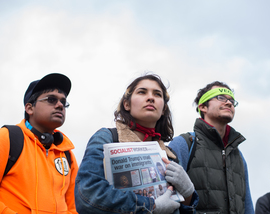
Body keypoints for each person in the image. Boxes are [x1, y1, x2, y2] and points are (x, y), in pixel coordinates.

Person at [75, 74, 198, 214]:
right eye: (142, 92)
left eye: (157, 94)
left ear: (163, 109)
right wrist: (150, 206)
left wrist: (188, 193)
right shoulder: (107, 138)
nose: (150, 97)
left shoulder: (170, 156)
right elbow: (88, 197)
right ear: (126, 104)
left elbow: (181, 209)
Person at [0, 73, 78, 213]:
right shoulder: (7, 138)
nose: (60, 105)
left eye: (63, 102)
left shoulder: (66, 153)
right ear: (29, 108)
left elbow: (74, 207)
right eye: (52, 99)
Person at [168, 81, 254, 213]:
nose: (229, 103)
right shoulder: (184, 144)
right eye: (221, 98)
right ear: (203, 107)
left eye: (232, 101)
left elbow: (247, 205)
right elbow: (169, 200)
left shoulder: (238, 155)